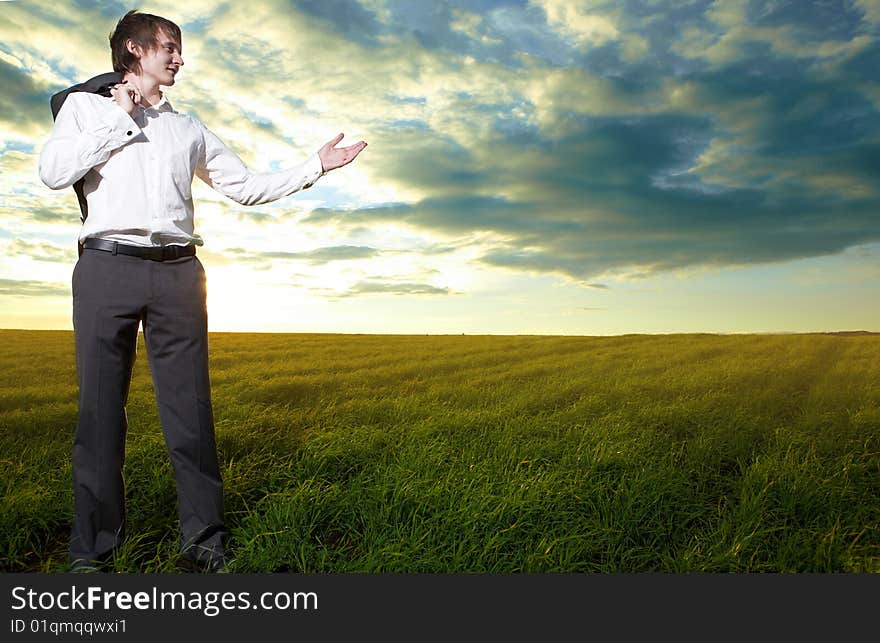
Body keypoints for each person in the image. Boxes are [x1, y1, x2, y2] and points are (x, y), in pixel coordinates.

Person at [38, 9, 366, 572]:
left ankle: (205, 542)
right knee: (98, 418)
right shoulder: (84, 108)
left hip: (179, 274)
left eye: (180, 48)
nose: (180, 58)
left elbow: (246, 187)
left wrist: (316, 165)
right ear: (135, 51)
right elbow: (53, 171)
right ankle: (91, 553)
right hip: (106, 267)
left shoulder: (188, 127)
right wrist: (117, 116)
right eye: (170, 47)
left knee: (190, 414)